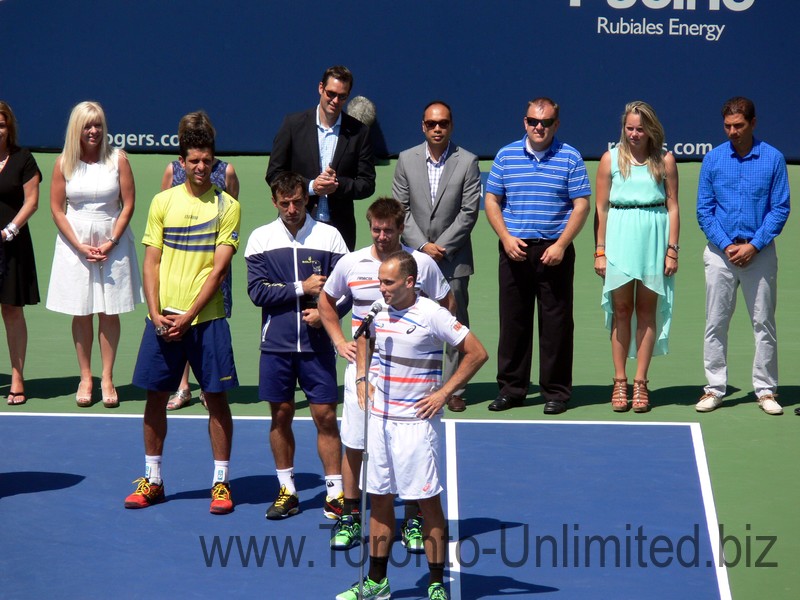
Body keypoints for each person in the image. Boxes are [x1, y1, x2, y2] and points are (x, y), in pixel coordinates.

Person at [336, 250, 487, 600]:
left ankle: (435, 584)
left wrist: (445, 392)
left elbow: (476, 352)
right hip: (380, 422)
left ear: (409, 282)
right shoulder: (379, 309)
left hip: (417, 425)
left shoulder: (433, 314)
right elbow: (362, 337)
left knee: (427, 502)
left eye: (387, 283)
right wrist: (362, 377)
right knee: (380, 498)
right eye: (379, 282)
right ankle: (376, 582)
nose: (381, 289)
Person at [318, 197, 454, 551]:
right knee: (354, 443)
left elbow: (446, 303)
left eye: (388, 230)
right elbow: (326, 302)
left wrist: (427, 345)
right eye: (376, 229)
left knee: (404, 449)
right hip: (362, 371)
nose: (381, 236)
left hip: (408, 376)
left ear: (401, 228)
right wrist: (339, 341)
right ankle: (350, 515)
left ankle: (411, 519)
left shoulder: (421, 264)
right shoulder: (351, 263)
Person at [124, 123, 240, 514]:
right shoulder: (162, 202)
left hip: (206, 320)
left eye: (208, 160)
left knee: (216, 398)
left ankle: (221, 484)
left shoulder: (228, 206)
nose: (201, 167)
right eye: (194, 160)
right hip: (163, 320)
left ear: (215, 161)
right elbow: (151, 261)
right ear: (182, 162)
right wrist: (155, 312)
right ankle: (153, 480)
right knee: (155, 398)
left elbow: (219, 270)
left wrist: (189, 315)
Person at [245, 171, 349, 521]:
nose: (291, 208)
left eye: (297, 201)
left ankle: (336, 493)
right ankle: (287, 490)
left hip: (318, 345)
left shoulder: (330, 236)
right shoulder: (260, 239)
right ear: (274, 202)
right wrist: (301, 288)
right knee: (281, 415)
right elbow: (258, 292)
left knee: (326, 416)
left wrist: (326, 315)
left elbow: (345, 291)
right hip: (276, 345)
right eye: (284, 202)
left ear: (308, 200)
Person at [484, 97, 591, 415]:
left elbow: (581, 205)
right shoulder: (505, 155)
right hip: (514, 248)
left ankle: (556, 392)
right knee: (513, 322)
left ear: (556, 124)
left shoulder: (570, 157)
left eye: (545, 122)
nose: (538, 127)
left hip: (554, 251)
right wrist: (505, 238)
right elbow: (492, 200)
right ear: (525, 122)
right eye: (533, 121)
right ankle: (512, 390)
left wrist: (560, 244)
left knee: (556, 324)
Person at [696, 97, 790, 415]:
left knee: (763, 322)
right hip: (721, 254)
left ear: (753, 123)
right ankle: (714, 388)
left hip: (758, 254)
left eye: (738, 125)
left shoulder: (774, 159)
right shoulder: (713, 160)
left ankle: (765, 391)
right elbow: (704, 211)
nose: (733, 132)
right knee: (715, 322)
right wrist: (726, 245)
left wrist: (754, 245)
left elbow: (779, 209)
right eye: (727, 126)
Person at [46, 101, 144, 408]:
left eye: (98, 125)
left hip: (111, 242)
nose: (94, 131)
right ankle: (86, 377)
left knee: (109, 311)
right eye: (88, 125)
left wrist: (112, 241)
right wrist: (78, 244)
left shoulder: (118, 160)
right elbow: (56, 209)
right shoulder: (64, 163)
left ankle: (108, 377)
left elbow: (128, 204)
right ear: (77, 128)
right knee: (82, 310)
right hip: (75, 245)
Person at [393, 100, 481, 413]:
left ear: (451, 126)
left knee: (454, 321)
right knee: (414, 320)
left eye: (443, 123)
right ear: (423, 126)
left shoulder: (467, 161)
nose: (437, 129)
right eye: (431, 124)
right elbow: (400, 208)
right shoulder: (406, 159)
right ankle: (417, 381)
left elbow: (469, 212)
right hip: (415, 259)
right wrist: (422, 247)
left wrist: (439, 247)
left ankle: (455, 387)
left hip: (453, 258)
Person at [594, 101, 680, 413]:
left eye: (639, 129)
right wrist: (600, 251)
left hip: (653, 240)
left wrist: (672, 249)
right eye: (629, 128)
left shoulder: (665, 160)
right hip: (619, 237)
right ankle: (620, 381)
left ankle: (641, 382)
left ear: (650, 130)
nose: (633, 133)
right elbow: (601, 209)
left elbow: (673, 207)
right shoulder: (610, 159)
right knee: (620, 310)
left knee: (646, 311)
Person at [159, 111, 240, 411]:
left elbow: (231, 211)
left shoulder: (227, 172)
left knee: (209, 324)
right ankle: (183, 387)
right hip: (180, 266)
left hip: (212, 265)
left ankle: (209, 387)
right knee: (180, 320)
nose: (200, 165)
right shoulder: (172, 171)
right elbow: (166, 218)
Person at [265, 65, 376, 251]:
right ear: (320, 88)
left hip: (340, 229)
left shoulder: (359, 132)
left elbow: (367, 184)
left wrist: (337, 185)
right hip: (297, 225)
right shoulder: (293, 125)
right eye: (331, 93)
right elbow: (274, 173)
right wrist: (309, 187)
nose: (335, 100)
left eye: (342, 96)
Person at [0, 101, 41, 406]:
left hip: (12, 245)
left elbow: (32, 201)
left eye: (1, 125)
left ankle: (17, 377)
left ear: (8, 128)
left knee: (12, 311)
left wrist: (9, 231)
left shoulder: (23, 158)